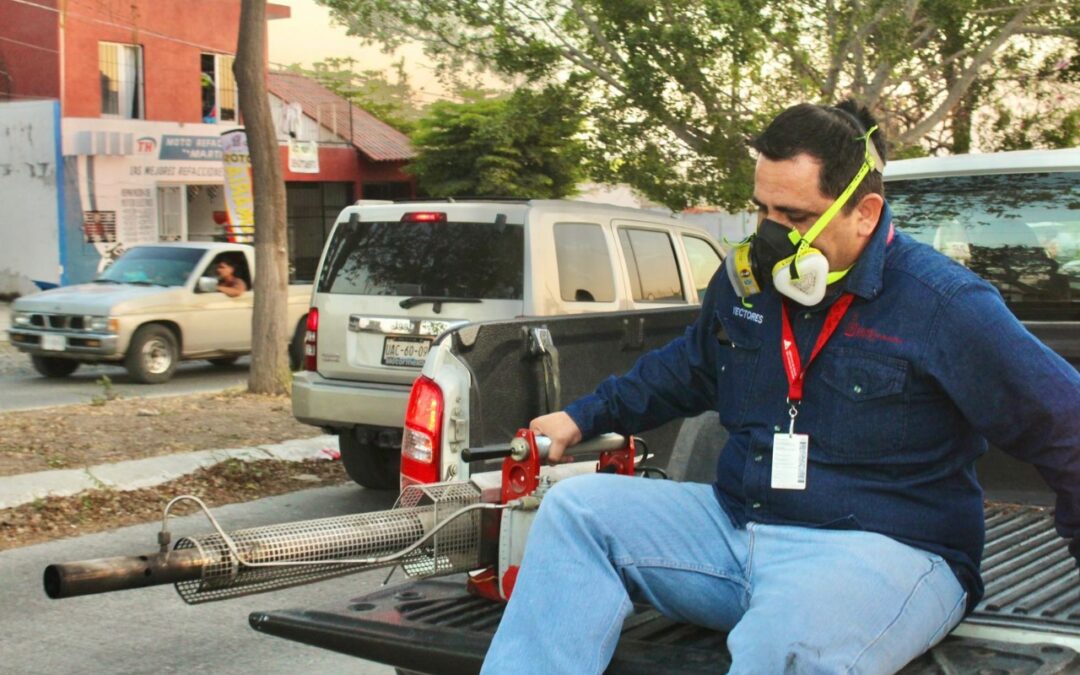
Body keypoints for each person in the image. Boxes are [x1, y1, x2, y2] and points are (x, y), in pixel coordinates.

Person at [481, 101, 1080, 674]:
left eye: (794, 218)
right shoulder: (749, 284)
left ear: (865, 214)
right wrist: (583, 415)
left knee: (784, 644)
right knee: (577, 510)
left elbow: (1066, 427)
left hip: (886, 550)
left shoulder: (945, 305)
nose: (771, 236)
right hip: (737, 528)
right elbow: (690, 366)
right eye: (763, 210)